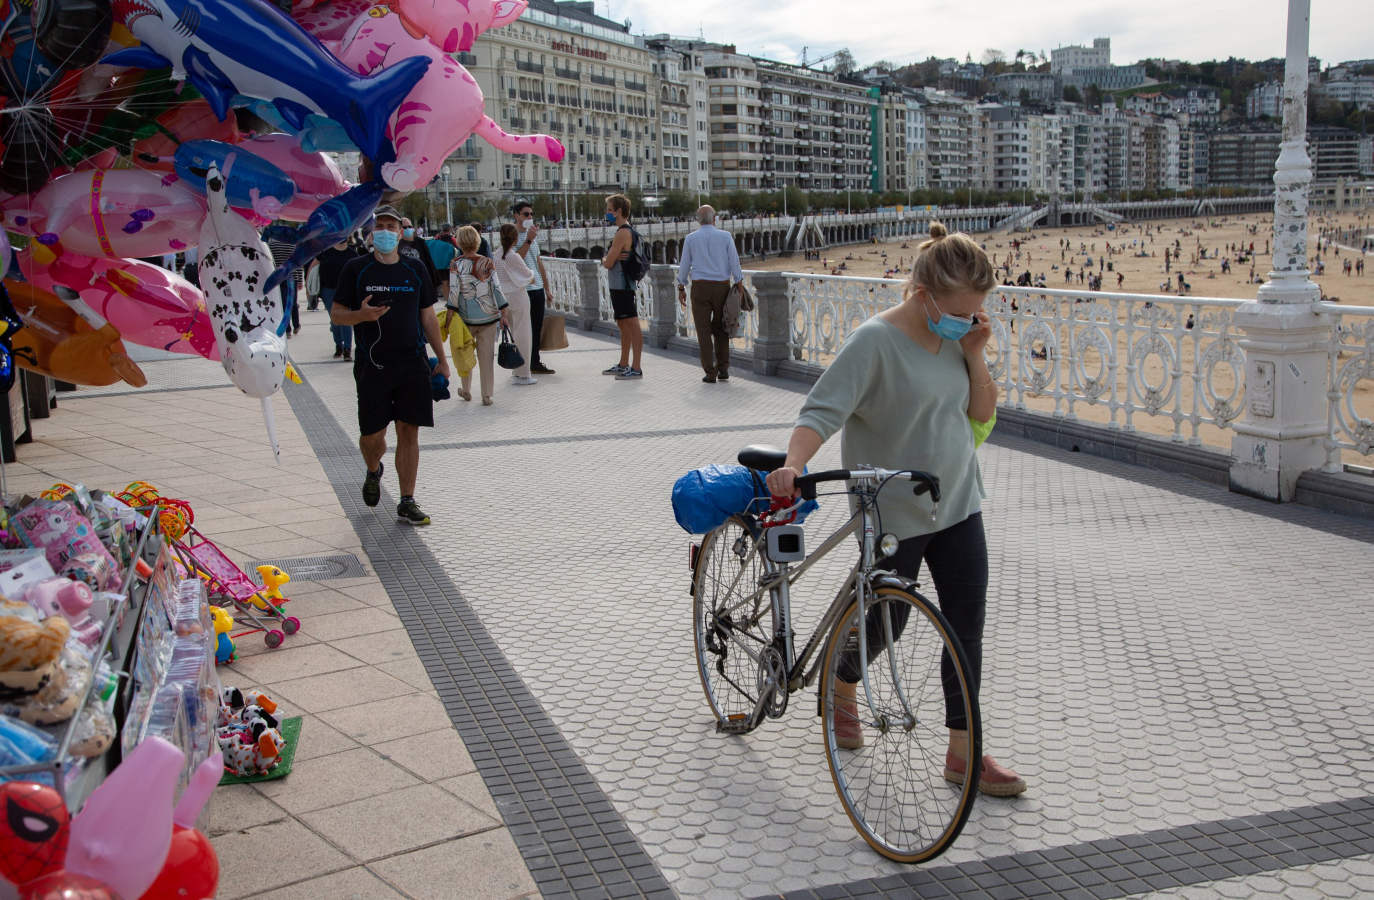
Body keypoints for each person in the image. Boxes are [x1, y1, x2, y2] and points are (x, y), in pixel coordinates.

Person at [763, 221, 1025, 798]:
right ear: (924, 294)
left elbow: (981, 414)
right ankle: (843, 681)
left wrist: (976, 353)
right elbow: (821, 410)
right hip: (890, 513)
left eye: (977, 312)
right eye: (961, 311)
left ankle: (965, 754)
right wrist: (794, 463)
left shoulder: (960, 336)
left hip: (957, 500)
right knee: (890, 621)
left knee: (966, 629)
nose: (968, 319)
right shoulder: (874, 341)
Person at [329, 206, 450, 525]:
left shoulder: (415, 269)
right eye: (379, 226)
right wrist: (361, 316)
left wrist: (443, 359)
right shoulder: (357, 269)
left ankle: (407, 500)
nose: (385, 231)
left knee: (409, 431)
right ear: (372, 233)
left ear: (400, 232)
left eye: (391, 226)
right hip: (373, 365)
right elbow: (336, 314)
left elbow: (428, 316)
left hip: (412, 362)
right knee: (372, 436)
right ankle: (373, 469)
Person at [676, 205, 744, 383]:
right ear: (715, 219)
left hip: (700, 288)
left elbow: (684, 265)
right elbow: (734, 261)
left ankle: (709, 372)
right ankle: (723, 369)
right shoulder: (725, 236)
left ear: (698, 220)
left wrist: (681, 286)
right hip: (722, 287)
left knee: (703, 331)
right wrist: (739, 282)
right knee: (722, 327)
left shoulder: (691, 238)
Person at [449, 225, 509, 405]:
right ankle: (487, 394)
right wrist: (503, 310)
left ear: (459, 242)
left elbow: (454, 291)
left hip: (465, 319)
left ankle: (466, 390)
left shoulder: (456, 264)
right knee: (487, 357)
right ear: (477, 241)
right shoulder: (488, 263)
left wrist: (450, 313)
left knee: (464, 355)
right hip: (489, 317)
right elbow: (496, 288)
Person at [512, 200, 556, 375]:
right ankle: (522, 363)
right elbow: (515, 260)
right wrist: (528, 240)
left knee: (536, 327)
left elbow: (538, 262)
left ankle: (535, 362)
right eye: (526, 214)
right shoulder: (512, 235)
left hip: (536, 288)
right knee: (524, 328)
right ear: (516, 216)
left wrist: (547, 288)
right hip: (522, 289)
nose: (530, 217)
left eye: (531, 214)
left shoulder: (533, 236)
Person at [600, 193, 642, 379]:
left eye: (609, 210)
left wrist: (605, 258)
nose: (607, 213)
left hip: (623, 285)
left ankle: (636, 367)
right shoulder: (624, 231)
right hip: (619, 285)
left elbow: (608, 263)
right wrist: (611, 257)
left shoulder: (623, 233)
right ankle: (624, 363)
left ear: (618, 212)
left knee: (631, 324)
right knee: (623, 324)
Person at [494, 223, 536, 385]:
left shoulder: (496, 255)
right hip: (518, 296)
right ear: (515, 238)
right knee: (523, 333)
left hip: (503, 298)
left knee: (512, 332)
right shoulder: (512, 256)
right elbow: (527, 274)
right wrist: (532, 274)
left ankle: (516, 370)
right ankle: (524, 372)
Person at [308, 238, 363, 359]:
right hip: (328, 291)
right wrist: (309, 290)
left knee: (346, 320)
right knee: (335, 320)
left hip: (347, 291)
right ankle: (339, 344)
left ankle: (347, 349)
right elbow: (312, 268)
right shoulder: (325, 252)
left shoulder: (352, 254)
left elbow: (360, 273)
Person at [263, 221, 303, 335]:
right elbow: (299, 262)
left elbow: (270, 262)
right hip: (292, 276)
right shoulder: (293, 243)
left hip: (278, 277)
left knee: (282, 302)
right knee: (293, 302)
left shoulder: (272, 244)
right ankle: (296, 325)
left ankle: (287, 328)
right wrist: (300, 279)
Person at [398, 217, 440, 298]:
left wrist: (434, 283)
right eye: (405, 227)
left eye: (410, 227)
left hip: (420, 280)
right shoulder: (396, 244)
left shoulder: (420, 242)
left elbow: (429, 262)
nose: (408, 229)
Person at [426, 225, 458, 303]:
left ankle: (448, 302)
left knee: (444, 283)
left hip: (439, 264)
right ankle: (453, 301)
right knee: (452, 283)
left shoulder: (437, 238)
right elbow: (458, 249)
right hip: (450, 264)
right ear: (450, 230)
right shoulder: (452, 239)